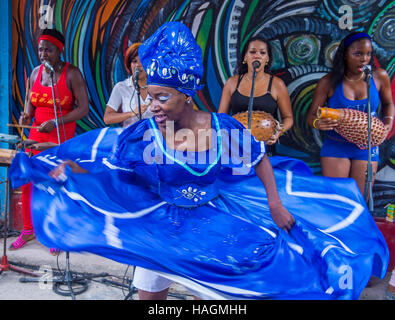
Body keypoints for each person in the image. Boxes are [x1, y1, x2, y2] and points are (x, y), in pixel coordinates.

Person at [9, 22, 388, 300]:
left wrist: (274, 204)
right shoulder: (143, 135)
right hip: (160, 221)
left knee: (234, 291)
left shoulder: (223, 131)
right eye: (150, 96)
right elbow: (107, 169)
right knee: (150, 297)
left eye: (162, 98)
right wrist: (69, 172)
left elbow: (258, 159)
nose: (152, 107)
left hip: (215, 217)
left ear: (186, 96)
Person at [9, 28, 89, 255]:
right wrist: (25, 116)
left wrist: (57, 121)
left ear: (59, 50)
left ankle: (55, 232)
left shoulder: (72, 74)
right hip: (35, 135)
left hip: (60, 136)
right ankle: (28, 229)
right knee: (27, 180)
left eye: (49, 50)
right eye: (40, 50)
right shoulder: (34, 73)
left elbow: (83, 109)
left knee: (54, 184)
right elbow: (30, 107)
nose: (43, 55)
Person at [307, 32, 394, 195]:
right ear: (345, 54)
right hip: (336, 144)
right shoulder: (328, 82)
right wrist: (317, 123)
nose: (364, 59)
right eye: (358, 54)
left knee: (360, 200)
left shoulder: (379, 77)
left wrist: (387, 124)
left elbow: (388, 103)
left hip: (367, 147)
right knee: (338, 200)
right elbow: (311, 115)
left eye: (368, 54)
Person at [218, 36, 293, 151]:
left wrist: (279, 131)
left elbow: (288, 118)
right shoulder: (232, 83)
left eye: (262, 53)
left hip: (264, 149)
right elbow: (221, 117)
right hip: (236, 147)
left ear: (267, 59)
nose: (257, 56)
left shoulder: (277, 84)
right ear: (245, 57)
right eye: (252, 52)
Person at [103, 42, 153, 127]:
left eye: (142, 61)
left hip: (155, 138)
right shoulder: (121, 87)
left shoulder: (159, 86)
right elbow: (107, 118)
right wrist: (131, 113)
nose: (138, 65)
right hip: (131, 138)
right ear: (129, 65)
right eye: (134, 61)